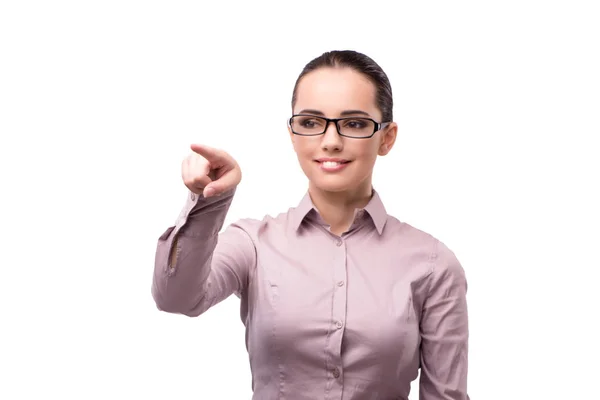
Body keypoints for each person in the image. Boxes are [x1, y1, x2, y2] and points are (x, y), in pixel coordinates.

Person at [151, 50, 470, 400]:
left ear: (387, 137)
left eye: (354, 123)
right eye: (310, 122)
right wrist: (208, 201)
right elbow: (177, 298)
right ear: (293, 134)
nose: (331, 141)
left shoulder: (432, 264)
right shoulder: (254, 244)